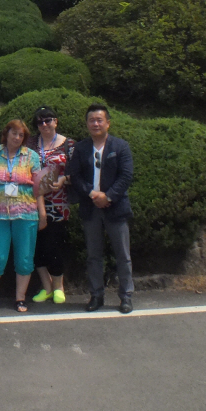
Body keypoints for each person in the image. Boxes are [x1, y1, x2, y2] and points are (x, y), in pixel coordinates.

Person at [69, 104, 134, 314]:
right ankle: (96, 295)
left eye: (99, 120)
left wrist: (108, 196)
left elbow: (126, 176)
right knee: (94, 255)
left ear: (108, 123)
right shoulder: (81, 148)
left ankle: (126, 296)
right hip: (91, 208)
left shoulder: (120, 146)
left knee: (122, 255)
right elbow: (75, 176)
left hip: (115, 208)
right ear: (87, 123)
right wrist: (92, 194)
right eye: (91, 120)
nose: (95, 123)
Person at [0, 119, 40, 314]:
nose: (17, 138)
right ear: (7, 134)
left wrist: (42, 212)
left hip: (26, 213)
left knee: (24, 257)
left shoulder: (32, 157)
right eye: (14, 133)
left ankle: (20, 298)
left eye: (21, 135)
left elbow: (38, 188)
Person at [27, 106, 75, 306]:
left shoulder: (69, 145)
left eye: (48, 120)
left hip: (57, 204)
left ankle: (58, 287)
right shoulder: (30, 144)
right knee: (36, 248)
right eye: (40, 122)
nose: (44, 125)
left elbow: (79, 172)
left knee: (54, 246)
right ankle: (46, 287)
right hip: (31, 202)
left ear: (56, 121)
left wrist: (64, 179)